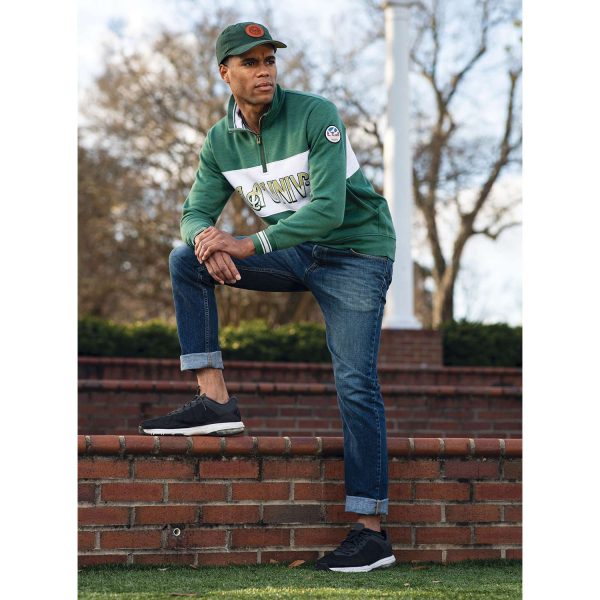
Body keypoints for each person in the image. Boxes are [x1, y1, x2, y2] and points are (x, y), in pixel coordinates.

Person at [139, 22, 397, 573]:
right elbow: (193, 213)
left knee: (355, 382)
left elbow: (327, 210)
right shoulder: (219, 140)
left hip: (356, 252)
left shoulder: (314, 115)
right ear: (224, 72)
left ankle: (371, 534)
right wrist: (207, 242)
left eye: (269, 60)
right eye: (250, 62)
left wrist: (246, 242)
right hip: (298, 252)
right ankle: (215, 402)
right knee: (186, 259)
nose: (264, 71)